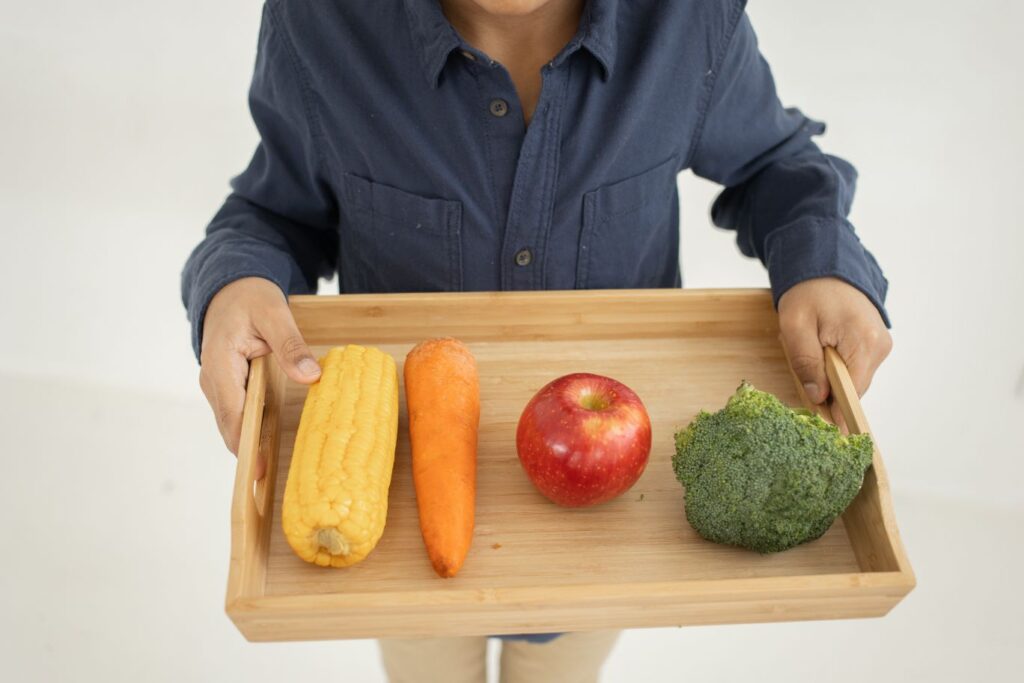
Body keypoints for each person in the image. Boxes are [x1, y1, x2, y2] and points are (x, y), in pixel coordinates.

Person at [181, 1, 893, 681]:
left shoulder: (691, 18)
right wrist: (236, 281)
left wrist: (823, 260)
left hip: (607, 525)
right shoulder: (318, 23)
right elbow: (273, 213)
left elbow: (776, 165)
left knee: (565, 668)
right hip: (396, 514)